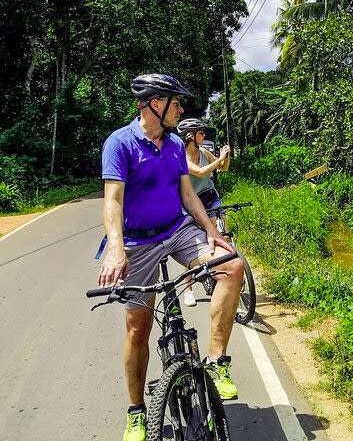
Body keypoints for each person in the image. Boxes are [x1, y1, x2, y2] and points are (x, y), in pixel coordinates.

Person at [97, 73, 244, 441]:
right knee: (138, 329)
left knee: (231, 265)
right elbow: (113, 200)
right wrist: (116, 248)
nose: (181, 109)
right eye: (175, 103)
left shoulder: (177, 144)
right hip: (137, 242)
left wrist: (212, 232)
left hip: (176, 230)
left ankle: (215, 362)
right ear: (153, 104)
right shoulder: (120, 143)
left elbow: (189, 196)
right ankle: (136, 411)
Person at [175, 118, 231, 307]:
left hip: (210, 196)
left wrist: (226, 156)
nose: (204, 136)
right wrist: (220, 159)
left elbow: (223, 168)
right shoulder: (181, 156)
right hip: (193, 202)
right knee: (196, 247)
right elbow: (199, 172)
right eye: (201, 133)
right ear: (191, 136)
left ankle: (224, 271)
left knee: (222, 234)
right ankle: (188, 290)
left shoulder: (204, 152)